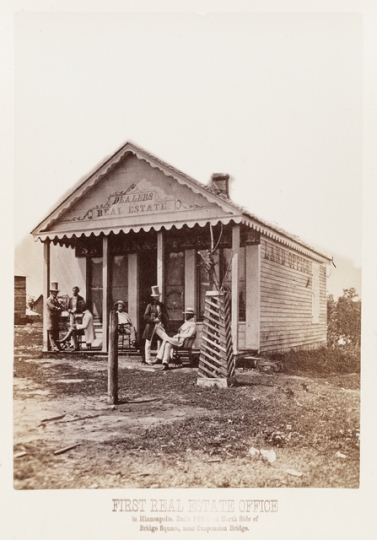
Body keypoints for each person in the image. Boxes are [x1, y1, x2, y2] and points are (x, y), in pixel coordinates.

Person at [142, 285, 169, 364]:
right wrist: (153, 320)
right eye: (155, 296)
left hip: (159, 326)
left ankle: (159, 357)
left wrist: (163, 322)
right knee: (148, 343)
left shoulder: (162, 305)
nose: (156, 298)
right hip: (151, 326)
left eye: (157, 296)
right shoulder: (149, 306)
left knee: (166, 339)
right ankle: (148, 359)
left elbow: (166, 316)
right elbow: (145, 317)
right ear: (153, 297)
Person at [46, 282, 65, 352]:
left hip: (56, 319)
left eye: (56, 292)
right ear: (51, 292)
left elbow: (60, 306)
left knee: (56, 333)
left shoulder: (56, 300)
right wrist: (58, 308)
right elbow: (53, 307)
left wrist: (62, 307)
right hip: (51, 319)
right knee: (52, 334)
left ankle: (58, 346)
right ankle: (54, 347)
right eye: (54, 292)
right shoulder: (49, 300)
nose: (56, 293)